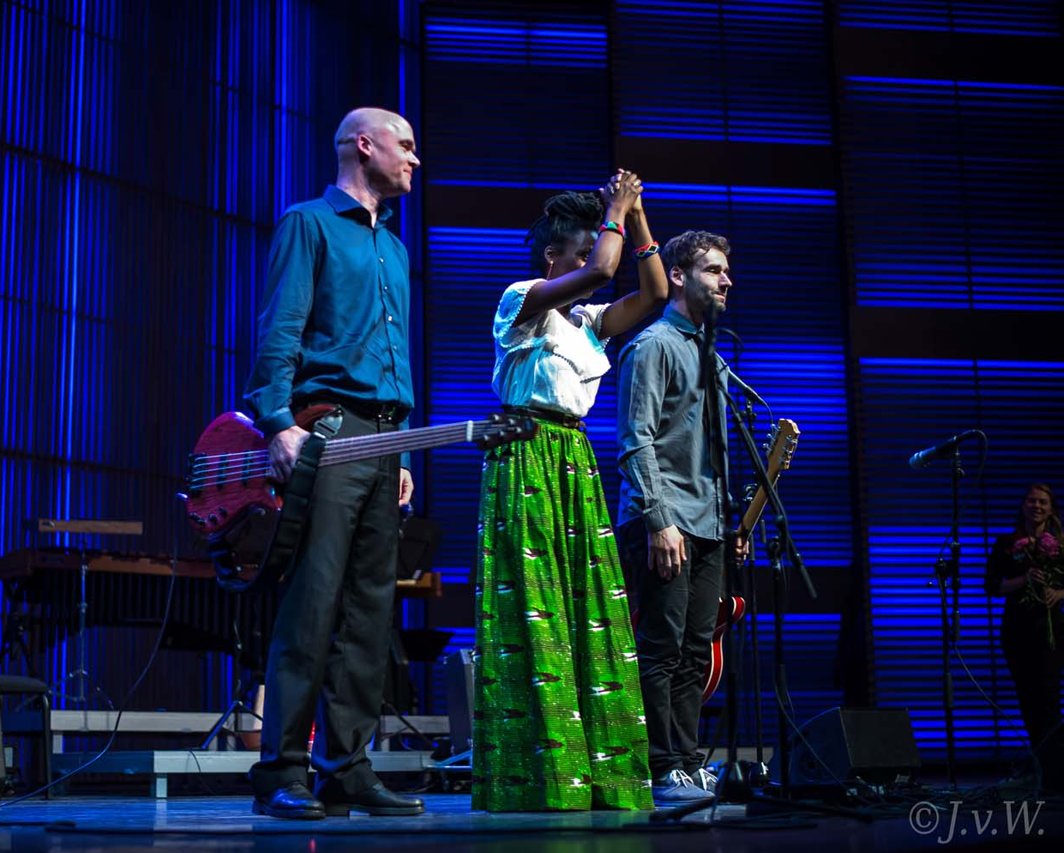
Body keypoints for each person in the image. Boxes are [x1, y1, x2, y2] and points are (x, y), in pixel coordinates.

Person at [242, 107, 424, 819]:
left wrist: (399, 444)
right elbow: (282, 326)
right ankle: (280, 770)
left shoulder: (395, 248)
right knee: (313, 603)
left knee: (370, 613)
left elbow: (393, 353)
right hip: (329, 430)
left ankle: (345, 766)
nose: (414, 159)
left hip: (383, 438)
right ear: (364, 146)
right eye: (405, 146)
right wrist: (277, 422)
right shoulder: (309, 223)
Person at [472, 170, 668, 812]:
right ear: (553, 257)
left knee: (593, 607)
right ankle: (542, 774)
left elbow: (655, 292)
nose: (591, 260)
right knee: (537, 606)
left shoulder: (586, 323)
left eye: (595, 246)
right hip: (526, 453)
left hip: (573, 461)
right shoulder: (521, 299)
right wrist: (614, 211)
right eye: (580, 252)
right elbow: (603, 271)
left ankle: (601, 773)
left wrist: (635, 216)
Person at [614, 229, 747, 804]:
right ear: (677, 275)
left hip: (708, 521)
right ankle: (661, 765)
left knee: (697, 651)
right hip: (663, 521)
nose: (726, 281)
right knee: (662, 647)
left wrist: (732, 521)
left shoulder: (710, 354)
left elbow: (711, 450)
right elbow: (635, 440)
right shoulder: (653, 346)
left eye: (726, 271)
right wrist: (659, 519)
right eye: (714, 270)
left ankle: (688, 762)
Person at [984, 483, 1064, 790]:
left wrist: (1059, 592)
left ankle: (1053, 771)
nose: (1037, 506)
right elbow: (992, 586)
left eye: (1043, 501)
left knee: (1049, 698)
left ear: (1051, 508)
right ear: (1023, 506)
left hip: (1051, 629)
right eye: (1031, 501)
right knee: (1029, 699)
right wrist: (1023, 579)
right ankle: (1042, 768)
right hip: (1018, 630)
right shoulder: (1007, 543)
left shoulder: (1060, 544)